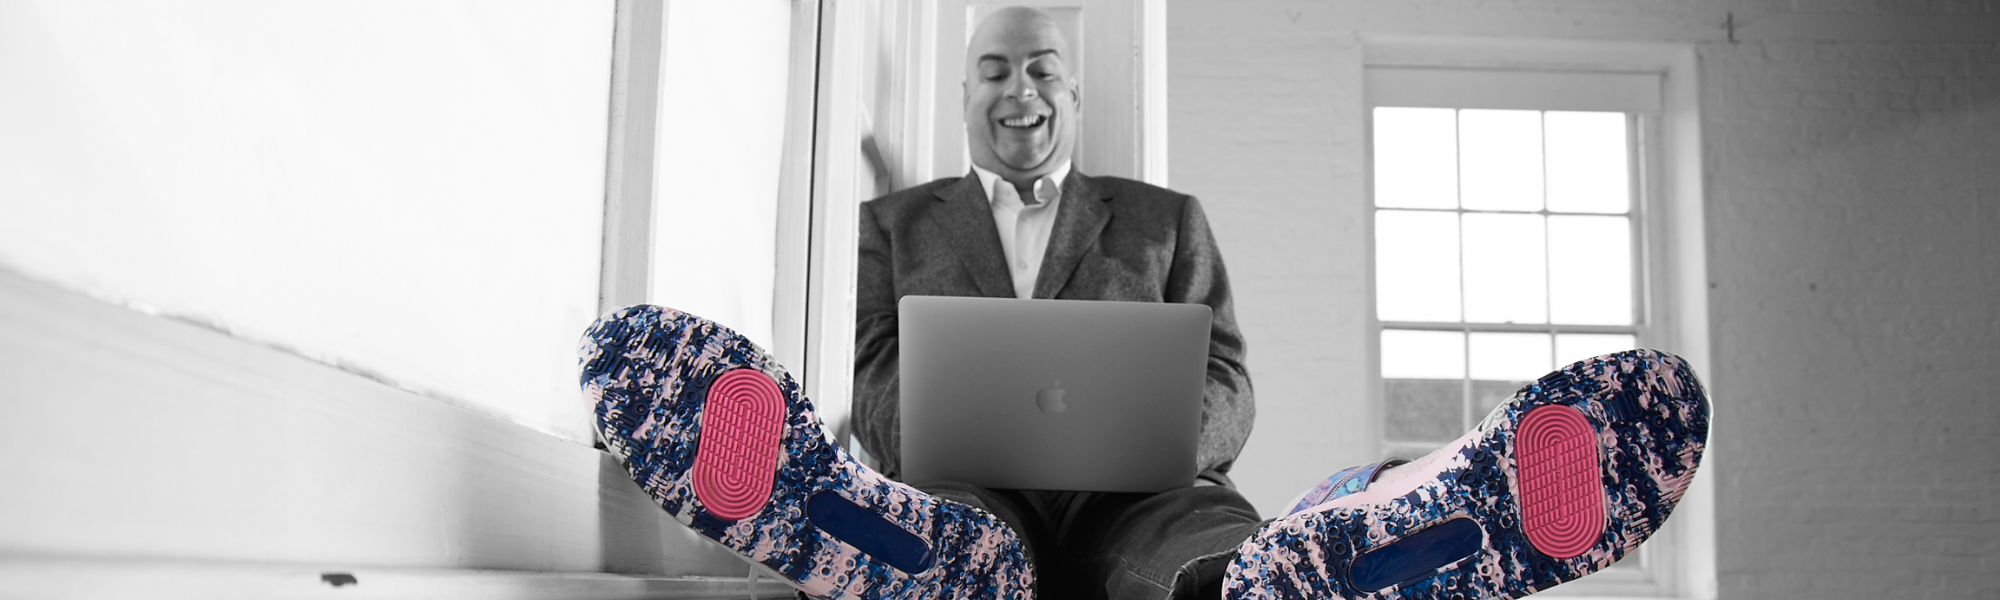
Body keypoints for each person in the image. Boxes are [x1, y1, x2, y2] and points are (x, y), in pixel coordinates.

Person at [576, 7, 1710, 600]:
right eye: (993, 69)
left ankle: (1288, 573)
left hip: (1146, 490)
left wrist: (1166, 435)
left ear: (1073, 89)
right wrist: (927, 425)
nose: (1019, 89)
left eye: (1041, 70)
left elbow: (1227, 383)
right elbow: (874, 379)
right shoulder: (894, 224)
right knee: (964, 531)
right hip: (967, 478)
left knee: (1202, 542)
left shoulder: (1164, 219)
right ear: (964, 88)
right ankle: (903, 548)